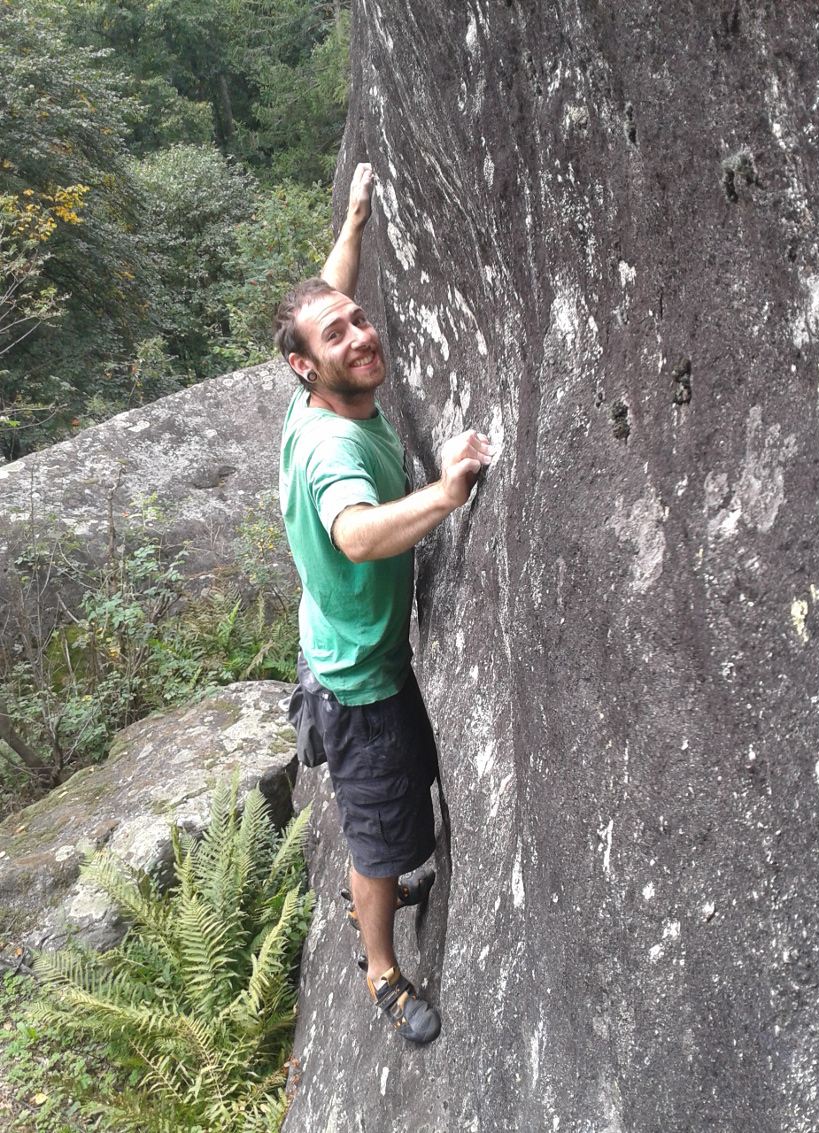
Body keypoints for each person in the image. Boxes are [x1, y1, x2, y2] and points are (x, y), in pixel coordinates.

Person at [275, 163, 492, 1044]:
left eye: (360, 320)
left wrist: (356, 220)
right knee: (379, 841)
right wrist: (446, 495)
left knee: (403, 806)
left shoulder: (315, 393)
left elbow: (329, 296)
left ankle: (388, 878)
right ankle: (381, 971)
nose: (360, 334)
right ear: (304, 365)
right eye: (340, 333)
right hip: (357, 685)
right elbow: (357, 535)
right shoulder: (330, 447)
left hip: (344, 649)